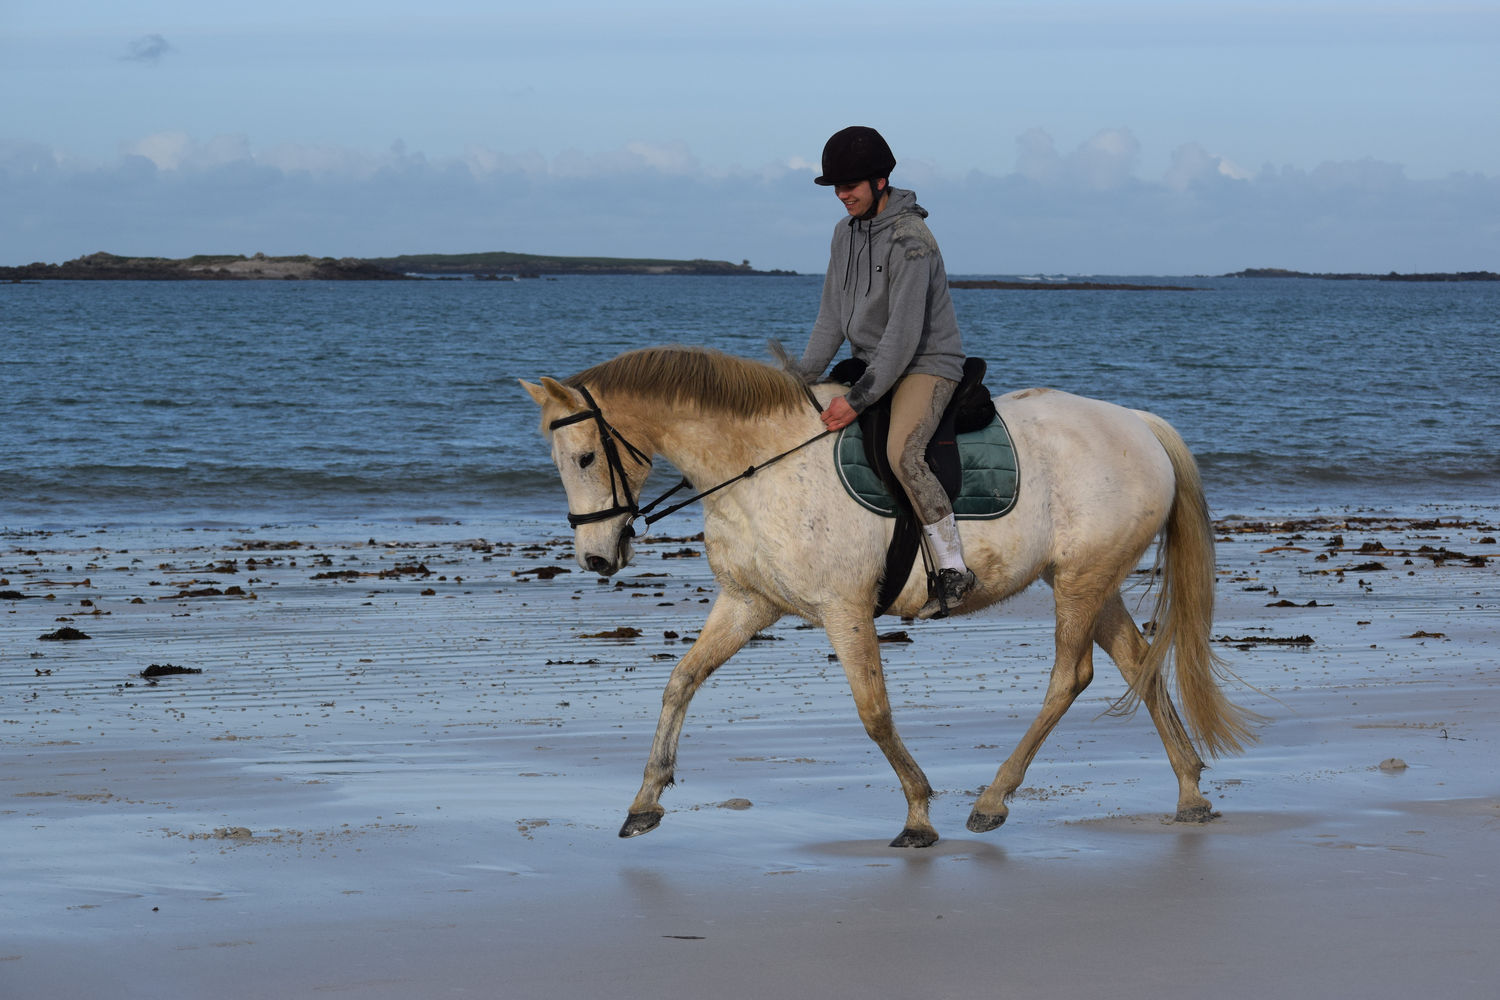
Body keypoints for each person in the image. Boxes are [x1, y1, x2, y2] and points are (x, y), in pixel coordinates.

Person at [797, 125, 975, 617]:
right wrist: (793, 380)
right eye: (836, 186)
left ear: (880, 182)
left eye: (850, 184)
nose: (841, 194)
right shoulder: (843, 234)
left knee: (903, 454)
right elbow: (830, 319)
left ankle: (954, 567)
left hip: (925, 363)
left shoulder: (912, 240)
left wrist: (856, 401)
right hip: (875, 363)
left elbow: (902, 337)